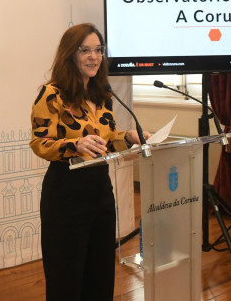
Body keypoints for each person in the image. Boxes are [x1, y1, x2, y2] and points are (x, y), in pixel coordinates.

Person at [29, 23, 147, 301]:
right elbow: (39, 142)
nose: (94, 57)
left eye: (98, 50)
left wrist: (129, 136)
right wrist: (74, 145)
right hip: (66, 193)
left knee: (100, 273)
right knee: (66, 277)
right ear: (70, 54)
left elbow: (105, 140)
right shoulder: (51, 94)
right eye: (85, 51)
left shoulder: (101, 94)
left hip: (100, 191)